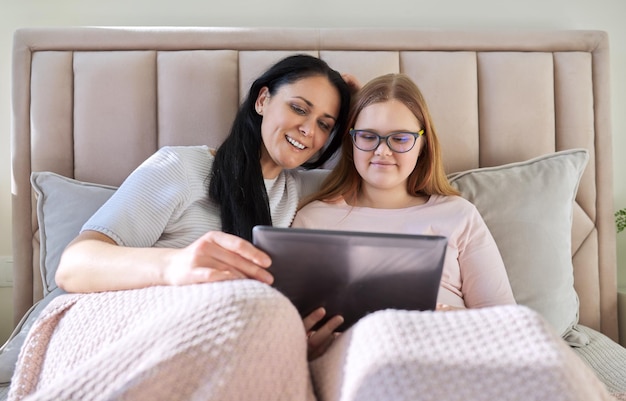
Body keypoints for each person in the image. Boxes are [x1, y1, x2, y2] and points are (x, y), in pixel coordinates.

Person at [10, 54, 352, 401]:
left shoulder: (305, 190)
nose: (310, 130)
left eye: (325, 124)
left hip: (232, 331)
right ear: (262, 100)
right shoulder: (182, 167)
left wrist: (362, 107)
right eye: (298, 108)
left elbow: (384, 162)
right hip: (133, 321)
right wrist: (176, 265)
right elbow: (74, 265)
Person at [292, 73, 516, 310]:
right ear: (351, 142)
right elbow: (294, 320)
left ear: (422, 145)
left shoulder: (459, 215)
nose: (382, 151)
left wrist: (453, 317)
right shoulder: (313, 220)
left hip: (446, 340)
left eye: (399, 139)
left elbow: (505, 322)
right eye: (368, 137)